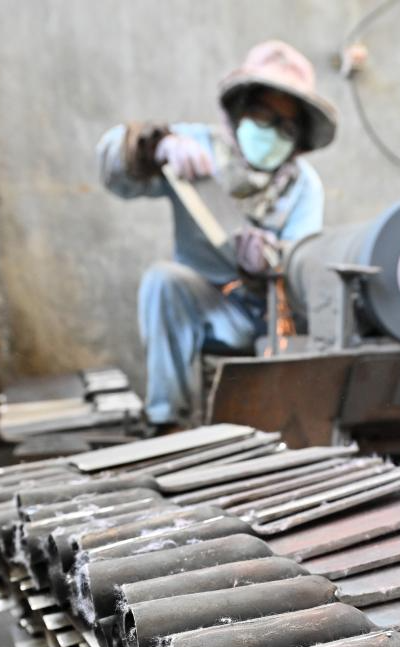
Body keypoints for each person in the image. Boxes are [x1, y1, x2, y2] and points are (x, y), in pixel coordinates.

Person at [97, 40, 337, 429]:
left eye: (285, 126)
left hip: (263, 317)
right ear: (241, 108)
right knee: (163, 282)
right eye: (263, 115)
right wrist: (153, 146)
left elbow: (301, 266)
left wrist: (270, 264)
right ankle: (167, 422)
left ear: (299, 138)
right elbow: (113, 171)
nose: (272, 132)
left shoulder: (303, 187)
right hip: (206, 307)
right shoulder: (196, 148)